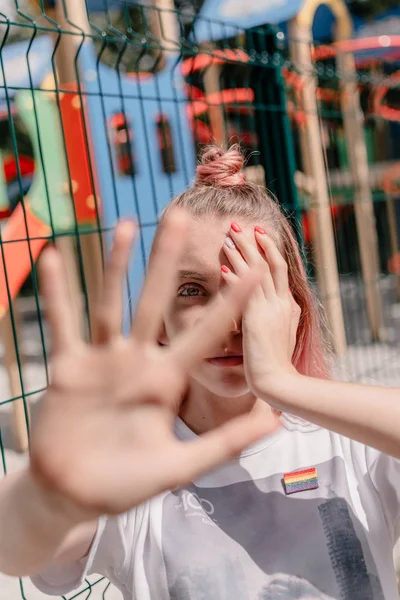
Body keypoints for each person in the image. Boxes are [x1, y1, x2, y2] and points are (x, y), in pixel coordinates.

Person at [1, 145, 400, 600]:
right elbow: (13, 550)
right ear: (163, 322)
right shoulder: (138, 463)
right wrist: (52, 491)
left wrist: (285, 385)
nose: (226, 322)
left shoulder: (350, 441)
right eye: (192, 290)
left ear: (292, 307)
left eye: (248, 287)